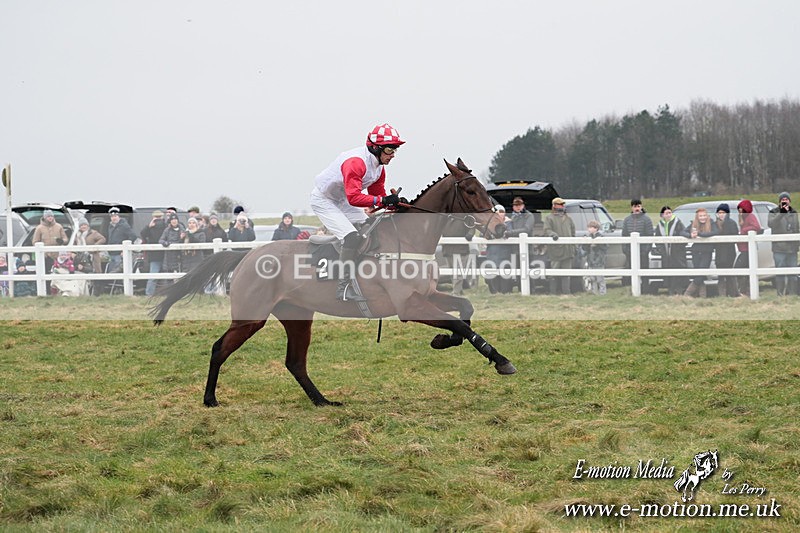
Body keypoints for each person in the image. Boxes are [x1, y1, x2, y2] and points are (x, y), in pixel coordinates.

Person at [309, 123, 405, 301]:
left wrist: (394, 204)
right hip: (325, 200)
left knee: (369, 228)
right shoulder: (356, 163)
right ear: (376, 148)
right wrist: (383, 200)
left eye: (395, 150)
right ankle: (343, 288)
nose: (393, 155)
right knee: (352, 237)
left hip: (343, 199)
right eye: (390, 150)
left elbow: (377, 198)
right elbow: (355, 198)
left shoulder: (379, 168)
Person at [767, 192, 799, 296]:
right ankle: (780, 294)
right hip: (779, 248)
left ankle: (792, 294)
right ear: (779, 201)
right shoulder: (773, 212)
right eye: (783, 199)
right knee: (780, 272)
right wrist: (781, 213)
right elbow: (771, 224)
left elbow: (797, 229)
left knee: (793, 273)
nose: (785, 201)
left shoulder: (794, 213)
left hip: (792, 248)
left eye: (787, 199)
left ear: (789, 201)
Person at [544, 197, 576, 295]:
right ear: (554, 206)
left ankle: (567, 292)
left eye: (562, 204)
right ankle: (553, 292)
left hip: (568, 250)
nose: (562, 206)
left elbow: (573, 233)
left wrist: (574, 246)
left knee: (566, 273)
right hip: (555, 250)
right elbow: (547, 230)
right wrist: (552, 234)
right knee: (554, 273)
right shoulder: (549, 218)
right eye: (559, 204)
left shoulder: (568, 218)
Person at [683, 208, 717, 297]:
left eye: (704, 215)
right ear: (697, 217)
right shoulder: (693, 224)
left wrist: (699, 234)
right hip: (696, 251)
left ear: (707, 216)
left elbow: (714, 232)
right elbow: (682, 232)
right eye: (700, 216)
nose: (703, 217)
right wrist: (690, 235)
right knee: (698, 274)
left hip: (707, 251)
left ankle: (687, 294)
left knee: (701, 273)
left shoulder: (712, 223)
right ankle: (702, 296)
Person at [622, 199, 654, 294]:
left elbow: (650, 235)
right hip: (630, 252)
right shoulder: (627, 220)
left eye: (639, 206)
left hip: (643, 251)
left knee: (644, 271)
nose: (637, 208)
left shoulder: (646, 219)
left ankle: (645, 290)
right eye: (635, 206)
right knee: (631, 272)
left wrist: (646, 250)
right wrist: (625, 249)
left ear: (641, 207)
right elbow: (624, 235)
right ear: (632, 207)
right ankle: (632, 290)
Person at [653, 206, 687, 295]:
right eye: (666, 213)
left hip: (677, 253)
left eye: (670, 212)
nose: (668, 215)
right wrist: (661, 249)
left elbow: (683, 236)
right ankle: (670, 291)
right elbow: (657, 239)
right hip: (666, 254)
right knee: (668, 272)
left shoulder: (678, 223)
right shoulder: (660, 225)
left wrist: (679, 248)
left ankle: (679, 291)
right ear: (662, 215)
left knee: (678, 271)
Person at [734, 199, 762, 297]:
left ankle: (745, 291)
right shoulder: (743, 218)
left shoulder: (750, 216)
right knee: (744, 270)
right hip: (743, 248)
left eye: (741, 209)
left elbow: (757, 227)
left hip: (747, 249)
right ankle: (745, 291)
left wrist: (744, 231)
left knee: (740, 268)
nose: (740, 211)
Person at [441, 218, 474, 296]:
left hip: (460, 249)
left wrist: (470, 234)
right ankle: (459, 290)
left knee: (458, 272)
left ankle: (456, 292)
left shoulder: (464, 216)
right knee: (451, 272)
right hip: (447, 249)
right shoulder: (445, 217)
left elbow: (472, 227)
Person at [713, 203, 740, 297]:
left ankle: (733, 293)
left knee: (729, 274)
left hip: (729, 252)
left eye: (723, 212)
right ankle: (722, 294)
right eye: (719, 212)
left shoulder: (732, 223)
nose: (721, 214)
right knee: (720, 274)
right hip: (719, 252)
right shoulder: (715, 224)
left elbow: (735, 236)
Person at [32, 208, 68, 277]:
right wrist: (44, 253)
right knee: (46, 275)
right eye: (48, 216)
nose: (50, 218)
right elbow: (35, 242)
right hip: (45, 257)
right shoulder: (39, 228)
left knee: (58, 275)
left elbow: (66, 239)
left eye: (51, 216)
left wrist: (62, 241)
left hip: (58, 257)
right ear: (44, 217)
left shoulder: (59, 226)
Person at [485, 205, 513, 294]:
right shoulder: (489, 224)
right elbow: (483, 235)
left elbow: (510, 234)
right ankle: (494, 292)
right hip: (492, 254)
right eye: (496, 212)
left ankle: (505, 292)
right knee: (492, 275)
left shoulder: (509, 223)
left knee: (505, 274)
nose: (499, 214)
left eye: (501, 212)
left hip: (505, 254)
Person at [140, 210, 166, 296]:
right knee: (153, 276)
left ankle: (165, 293)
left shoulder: (166, 226)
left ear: (162, 217)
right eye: (156, 217)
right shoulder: (150, 228)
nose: (158, 220)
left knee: (166, 276)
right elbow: (143, 234)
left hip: (166, 255)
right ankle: (149, 294)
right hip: (154, 255)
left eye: (159, 217)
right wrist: (149, 226)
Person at [105, 206, 137, 273]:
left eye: (115, 216)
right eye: (112, 216)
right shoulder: (110, 227)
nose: (114, 218)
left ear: (118, 216)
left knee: (120, 272)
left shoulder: (124, 225)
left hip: (119, 253)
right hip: (111, 253)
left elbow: (133, 236)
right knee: (111, 271)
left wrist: (124, 249)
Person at [581, 220, 607, 295]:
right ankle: (594, 292)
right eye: (588, 227)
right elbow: (585, 249)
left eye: (591, 227)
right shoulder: (588, 237)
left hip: (599, 260)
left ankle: (602, 293)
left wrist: (597, 245)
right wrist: (585, 242)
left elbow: (604, 247)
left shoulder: (601, 237)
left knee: (600, 278)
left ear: (596, 228)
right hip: (591, 260)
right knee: (592, 278)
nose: (589, 229)